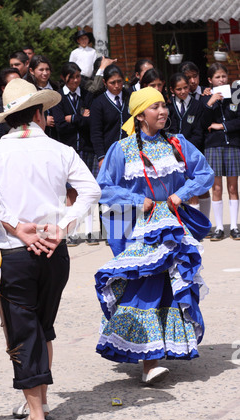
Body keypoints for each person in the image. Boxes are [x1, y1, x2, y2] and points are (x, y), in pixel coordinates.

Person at [0, 78, 101, 420]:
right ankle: (38, 401)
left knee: (23, 330)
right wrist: (63, 227)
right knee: (43, 327)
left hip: (16, 252)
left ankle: (37, 414)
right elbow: (90, 189)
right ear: (40, 114)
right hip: (54, 250)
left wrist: (14, 226)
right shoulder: (61, 150)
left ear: (10, 118)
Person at [94, 87, 214, 384]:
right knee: (142, 287)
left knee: (169, 285)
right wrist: (137, 200)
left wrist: (180, 194)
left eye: (164, 106)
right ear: (139, 115)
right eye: (155, 107)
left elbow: (204, 174)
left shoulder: (178, 143)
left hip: (171, 226)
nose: (163, 112)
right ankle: (148, 360)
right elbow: (104, 187)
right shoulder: (121, 150)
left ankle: (156, 356)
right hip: (138, 229)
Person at [53, 62, 99, 245]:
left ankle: (91, 232)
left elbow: (91, 120)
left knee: (88, 189)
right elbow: (59, 125)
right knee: (70, 192)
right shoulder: (58, 98)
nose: (75, 80)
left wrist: (73, 118)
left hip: (86, 148)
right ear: (64, 78)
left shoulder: (86, 95)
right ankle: (71, 232)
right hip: (67, 149)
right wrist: (81, 118)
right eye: (71, 77)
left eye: (78, 76)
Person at [200, 63, 240, 241]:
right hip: (213, 146)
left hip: (233, 145)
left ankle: (233, 226)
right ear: (210, 80)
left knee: (233, 187)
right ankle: (218, 228)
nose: (222, 80)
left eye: (224, 76)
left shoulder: (236, 96)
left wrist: (222, 126)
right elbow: (202, 124)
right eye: (217, 77)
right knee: (216, 188)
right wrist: (210, 103)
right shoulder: (205, 98)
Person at [167, 72, 210, 218]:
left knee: (199, 187)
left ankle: (203, 223)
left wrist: (187, 150)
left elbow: (199, 131)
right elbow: (168, 131)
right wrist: (175, 150)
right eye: (179, 89)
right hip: (173, 154)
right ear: (172, 90)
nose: (183, 91)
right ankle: (185, 224)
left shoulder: (197, 105)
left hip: (193, 153)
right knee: (180, 189)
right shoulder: (168, 107)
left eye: (185, 88)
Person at [90, 64, 131, 167]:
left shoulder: (130, 97)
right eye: (112, 83)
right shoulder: (98, 103)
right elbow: (96, 132)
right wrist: (101, 157)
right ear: (104, 82)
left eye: (119, 81)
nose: (116, 86)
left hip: (131, 151)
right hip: (109, 153)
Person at [26, 55, 59, 139]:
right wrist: (43, 119)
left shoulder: (57, 88)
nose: (45, 73)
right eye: (41, 70)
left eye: (47, 69)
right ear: (31, 71)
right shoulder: (28, 90)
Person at [0, 68, 21, 136]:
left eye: (20, 82)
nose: (19, 85)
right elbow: (6, 127)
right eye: (14, 83)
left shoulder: (28, 99)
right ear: (3, 88)